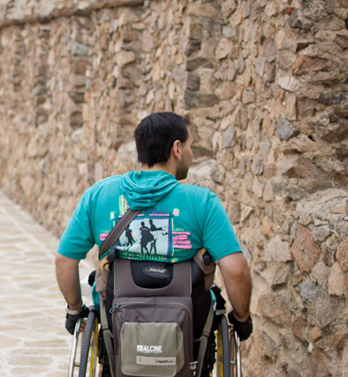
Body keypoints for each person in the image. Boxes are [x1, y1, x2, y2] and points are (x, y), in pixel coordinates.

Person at [55, 112, 253, 343]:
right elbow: (236, 270)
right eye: (191, 145)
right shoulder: (202, 202)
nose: (191, 153)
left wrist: (75, 309)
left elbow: (64, 260)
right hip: (188, 331)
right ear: (177, 148)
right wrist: (242, 318)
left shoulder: (99, 195)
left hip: (117, 327)